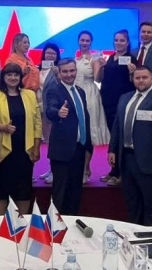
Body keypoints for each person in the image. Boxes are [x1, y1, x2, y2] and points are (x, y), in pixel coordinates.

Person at [108, 66, 152, 226]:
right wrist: (112, 149)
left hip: (149, 162)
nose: (141, 81)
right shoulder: (125, 98)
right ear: (133, 79)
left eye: (144, 77)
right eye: (137, 78)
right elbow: (117, 125)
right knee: (132, 205)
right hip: (126, 159)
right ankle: (134, 237)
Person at [0, 63, 42, 215]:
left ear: (20, 77)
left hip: (24, 150)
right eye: (9, 75)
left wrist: (36, 147)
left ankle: (22, 221)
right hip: (2, 151)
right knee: (0, 189)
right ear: (3, 77)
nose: (13, 78)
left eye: (16, 75)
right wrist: (2, 127)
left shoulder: (29, 95)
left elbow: (37, 123)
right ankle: (1, 221)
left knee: (24, 189)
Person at [45, 58, 92, 215]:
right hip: (62, 151)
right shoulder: (54, 90)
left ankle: (71, 224)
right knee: (60, 194)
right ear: (59, 73)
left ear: (76, 71)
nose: (69, 74)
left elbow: (84, 118)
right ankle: (56, 227)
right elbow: (50, 109)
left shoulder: (80, 91)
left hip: (79, 148)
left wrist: (88, 146)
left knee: (75, 193)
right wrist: (58, 112)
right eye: (65, 71)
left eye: (72, 71)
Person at [96, 29, 137, 186]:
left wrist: (132, 73)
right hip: (108, 101)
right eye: (116, 40)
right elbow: (101, 79)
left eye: (122, 40)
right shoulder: (111, 58)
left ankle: (120, 172)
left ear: (127, 42)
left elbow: (135, 81)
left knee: (120, 137)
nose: (118, 43)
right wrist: (101, 67)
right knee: (113, 137)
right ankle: (113, 170)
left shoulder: (131, 59)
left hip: (122, 102)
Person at [75, 31, 110, 184]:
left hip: (90, 95)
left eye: (87, 40)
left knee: (88, 133)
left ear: (91, 42)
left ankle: (85, 168)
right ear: (78, 41)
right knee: (77, 133)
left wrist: (101, 67)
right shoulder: (74, 59)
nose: (84, 43)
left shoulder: (94, 59)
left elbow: (98, 79)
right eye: (82, 40)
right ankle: (77, 168)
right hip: (75, 94)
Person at [37, 43, 60, 183]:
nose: (50, 55)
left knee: (53, 141)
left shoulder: (59, 69)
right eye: (48, 53)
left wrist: (57, 75)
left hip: (51, 110)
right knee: (47, 141)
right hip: (39, 108)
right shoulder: (37, 69)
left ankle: (55, 171)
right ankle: (51, 168)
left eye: (53, 53)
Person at [132, 21, 152, 91]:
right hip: (133, 89)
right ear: (139, 33)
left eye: (149, 32)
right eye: (143, 32)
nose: (146, 34)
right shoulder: (132, 52)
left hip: (151, 91)